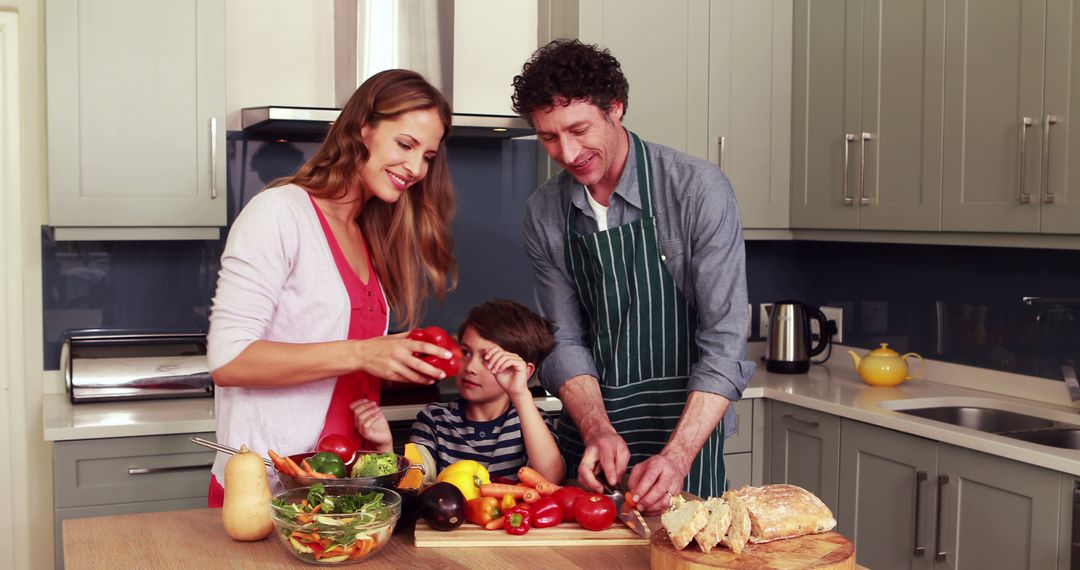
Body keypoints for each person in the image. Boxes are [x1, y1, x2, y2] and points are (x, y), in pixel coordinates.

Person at [512, 39, 755, 513]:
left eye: (579, 129)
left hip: (687, 428)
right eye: (548, 138)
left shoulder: (696, 189)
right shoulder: (544, 211)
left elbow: (725, 341)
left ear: (616, 108)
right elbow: (563, 340)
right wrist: (597, 429)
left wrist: (679, 454)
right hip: (592, 435)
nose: (567, 151)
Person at [206, 69, 459, 506]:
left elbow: (337, 367)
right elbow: (228, 360)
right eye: (405, 144)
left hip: (344, 487)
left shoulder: (368, 233)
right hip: (270, 490)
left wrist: (400, 360)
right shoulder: (279, 213)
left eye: (429, 156)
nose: (417, 168)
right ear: (363, 128)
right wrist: (365, 352)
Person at [353, 299, 565, 483]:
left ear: (522, 372)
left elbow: (550, 478)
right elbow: (413, 479)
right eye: (465, 352)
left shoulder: (531, 421)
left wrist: (520, 394)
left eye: (487, 358)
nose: (470, 367)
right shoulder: (435, 418)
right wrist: (385, 447)